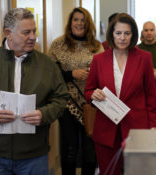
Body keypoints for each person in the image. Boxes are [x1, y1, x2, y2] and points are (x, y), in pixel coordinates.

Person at [0, 8, 69, 174]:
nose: (33, 37)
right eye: (26, 32)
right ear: (8, 33)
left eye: (34, 31)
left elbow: (61, 99)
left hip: (34, 157)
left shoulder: (47, 65)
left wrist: (43, 114)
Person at [84, 13, 156, 175]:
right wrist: (93, 95)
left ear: (133, 35)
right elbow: (88, 91)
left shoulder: (144, 58)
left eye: (127, 33)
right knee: (109, 172)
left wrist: (154, 127)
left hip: (137, 128)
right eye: (118, 33)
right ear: (112, 34)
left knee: (139, 172)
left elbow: (152, 97)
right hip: (106, 128)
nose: (122, 38)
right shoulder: (99, 59)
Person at [48, 7, 104, 175]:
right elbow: (50, 73)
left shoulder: (96, 45)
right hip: (66, 104)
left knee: (89, 148)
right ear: (70, 23)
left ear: (88, 24)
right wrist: (70, 74)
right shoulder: (58, 44)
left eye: (83, 20)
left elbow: (103, 73)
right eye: (76, 20)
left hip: (91, 103)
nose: (79, 23)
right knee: (69, 148)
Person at [138, 21, 156, 128]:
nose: (149, 33)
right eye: (146, 30)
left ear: (155, 31)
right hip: (144, 94)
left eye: (151, 30)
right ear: (142, 32)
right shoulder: (137, 49)